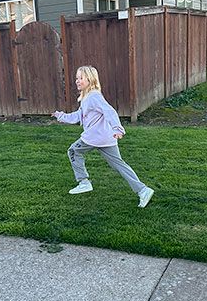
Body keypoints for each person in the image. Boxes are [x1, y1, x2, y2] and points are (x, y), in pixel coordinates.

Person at [52, 65, 154, 208]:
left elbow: (109, 111)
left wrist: (118, 128)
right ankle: (143, 190)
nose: (77, 81)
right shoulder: (87, 97)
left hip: (95, 137)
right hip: (106, 138)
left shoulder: (93, 96)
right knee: (119, 164)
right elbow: (78, 116)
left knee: (73, 151)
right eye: (76, 78)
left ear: (90, 79)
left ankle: (84, 182)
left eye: (81, 78)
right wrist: (61, 116)